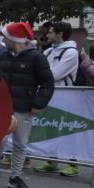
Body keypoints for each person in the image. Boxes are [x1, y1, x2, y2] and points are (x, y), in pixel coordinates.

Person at [0, 22, 54, 188]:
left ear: (13, 39)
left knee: (20, 143)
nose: (2, 39)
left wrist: (39, 103)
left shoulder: (37, 57)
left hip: (24, 108)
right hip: (3, 108)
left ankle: (15, 177)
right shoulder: (3, 55)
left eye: (5, 37)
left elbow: (47, 82)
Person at [36, 21, 80, 176]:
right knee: (50, 128)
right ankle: (51, 161)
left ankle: (73, 164)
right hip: (49, 95)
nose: (47, 35)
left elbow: (55, 75)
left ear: (60, 34)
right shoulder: (49, 52)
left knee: (67, 129)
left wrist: (40, 75)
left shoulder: (71, 52)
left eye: (50, 32)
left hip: (65, 97)